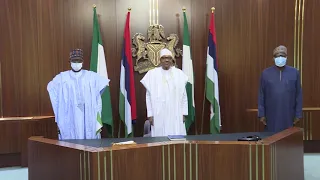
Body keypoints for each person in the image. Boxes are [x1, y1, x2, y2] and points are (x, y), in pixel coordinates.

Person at [47, 49, 110, 140]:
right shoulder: (61, 78)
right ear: (70, 62)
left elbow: (103, 85)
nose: (76, 63)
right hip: (70, 115)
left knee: (89, 138)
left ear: (82, 62)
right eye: (74, 61)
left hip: (88, 114)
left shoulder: (92, 77)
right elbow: (51, 88)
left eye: (79, 61)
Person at [140, 48, 188, 137]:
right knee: (159, 139)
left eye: (169, 58)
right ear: (160, 60)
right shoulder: (152, 74)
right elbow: (148, 96)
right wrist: (150, 114)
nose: (166, 60)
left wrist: (184, 113)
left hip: (175, 113)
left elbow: (184, 95)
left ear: (172, 60)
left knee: (176, 137)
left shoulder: (179, 74)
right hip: (158, 113)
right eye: (164, 58)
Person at [258, 45, 302, 132]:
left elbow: (298, 95)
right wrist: (261, 114)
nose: (280, 58)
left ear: (287, 57)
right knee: (272, 139)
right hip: (271, 114)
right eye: (277, 56)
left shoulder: (294, 72)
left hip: (289, 113)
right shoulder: (266, 73)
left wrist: (298, 114)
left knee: (287, 140)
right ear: (273, 58)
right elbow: (261, 94)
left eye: (282, 55)